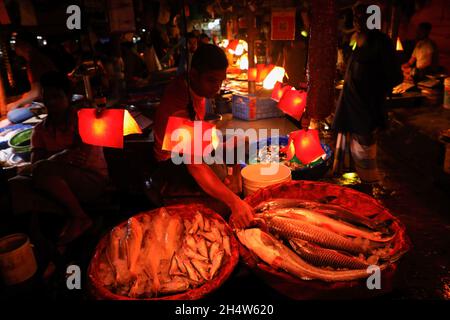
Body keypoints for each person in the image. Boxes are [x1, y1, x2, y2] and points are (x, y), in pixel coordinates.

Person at [152, 44, 253, 228]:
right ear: (193, 75)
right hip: (173, 162)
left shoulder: (193, 88)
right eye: (211, 80)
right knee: (219, 172)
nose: (217, 88)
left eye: (220, 81)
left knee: (241, 142)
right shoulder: (179, 106)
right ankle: (229, 197)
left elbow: (200, 131)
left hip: (191, 144)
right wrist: (234, 202)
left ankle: (230, 183)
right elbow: (195, 165)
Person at [9, 71, 109, 245]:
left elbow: (80, 159)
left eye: (57, 96)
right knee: (15, 183)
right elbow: (36, 164)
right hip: (57, 182)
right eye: (48, 97)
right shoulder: (39, 130)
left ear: (68, 97)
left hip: (91, 181)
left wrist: (52, 160)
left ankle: (80, 218)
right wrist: (61, 157)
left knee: (41, 172)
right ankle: (44, 234)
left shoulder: (82, 120)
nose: (52, 102)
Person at [332, 3, 403, 197]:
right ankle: (364, 185)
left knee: (365, 144)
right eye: (355, 18)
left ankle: (371, 187)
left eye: (362, 18)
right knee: (355, 144)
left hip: (368, 103)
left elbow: (396, 76)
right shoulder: (358, 39)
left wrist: (376, 85)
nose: (357, 22)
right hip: (352, 100)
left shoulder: (381, 43)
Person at [6, 31, 57, 112]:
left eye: (18, 43)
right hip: (53, 98)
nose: (15, 46)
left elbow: (37, 93)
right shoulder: (37, 58)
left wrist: (16, 104)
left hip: (51, 102)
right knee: (24, 97)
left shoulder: (34, 61)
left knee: (12, 115)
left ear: (27, 45)